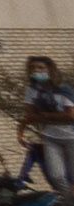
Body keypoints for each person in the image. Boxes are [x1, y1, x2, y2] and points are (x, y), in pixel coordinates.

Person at [21, 56, 74, 197]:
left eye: (40, 67)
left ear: (50, 69)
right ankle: (70, 200)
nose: (36, 70)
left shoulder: (63, 88)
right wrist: (55, 116)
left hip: (71, 136)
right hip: (50, 137)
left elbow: (70, 115)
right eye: (33, 68)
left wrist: (44, 115)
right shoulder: (31, 90)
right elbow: (30, 115)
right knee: (56, 176)